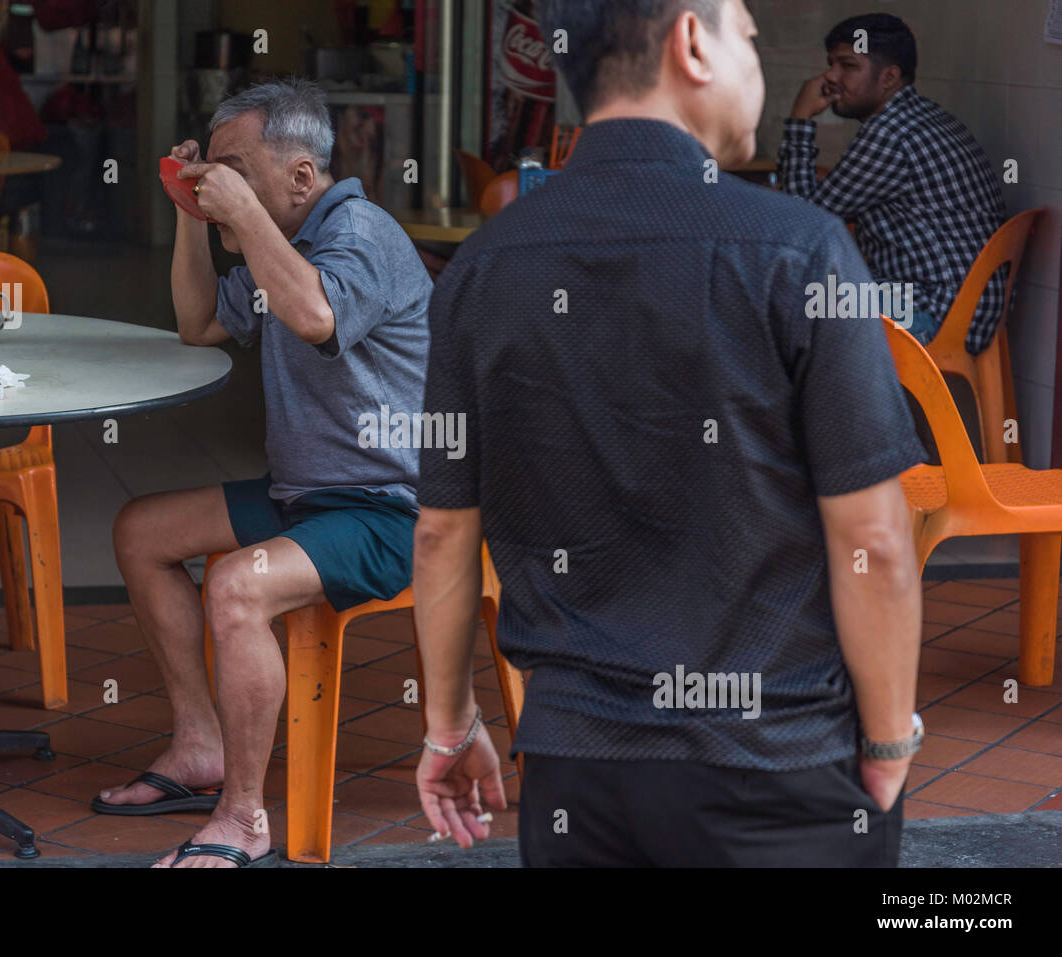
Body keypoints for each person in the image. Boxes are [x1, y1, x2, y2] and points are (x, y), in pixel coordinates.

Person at [412, 0, 927, 866]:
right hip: (778, 763)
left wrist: (448, 724)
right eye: (752, 39)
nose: (761, 68)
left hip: (578, 772)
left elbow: (439, 532)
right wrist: (886, 741)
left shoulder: (483, 266)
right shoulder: (800, 250)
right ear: (693, 41)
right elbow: (874, 536)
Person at [102, 79, 434, 868]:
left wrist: (243, 218)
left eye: (236, 168)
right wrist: (193, 218)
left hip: (394, 508)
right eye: (213, 169)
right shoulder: (276, 242)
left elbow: (317, 316)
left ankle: (245, 816)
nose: (221, 183)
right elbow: (197, 324)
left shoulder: (359, 233)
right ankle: (198, 744)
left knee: (237, 584)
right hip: (310, 497)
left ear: (299, 176)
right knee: (140, 530)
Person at [779, 12, 1006, 350]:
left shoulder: (890, 133)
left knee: (781, 302)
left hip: (933, 309)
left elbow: (804, 223)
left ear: (888, 77)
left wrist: (799, 118)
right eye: (831, 64)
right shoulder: (917, 117)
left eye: (848, 66)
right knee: (805, 298)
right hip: (966, 303)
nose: (831, 77)